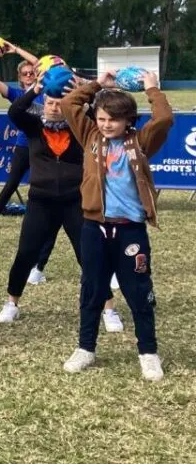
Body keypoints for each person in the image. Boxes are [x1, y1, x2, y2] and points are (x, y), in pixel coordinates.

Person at [59, 70, 172, 380]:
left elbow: (163, 119)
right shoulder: (90, 136)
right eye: (101, 118)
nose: (106, 124)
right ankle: (85, 348)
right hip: (94, 228)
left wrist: (152, 89)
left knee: (139, 292)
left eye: (113, 119)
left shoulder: (140, 141)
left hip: (129, 230)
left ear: (128, 120)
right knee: (92, 290)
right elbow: (69, 105)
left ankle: (148, 352)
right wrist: (98, 84)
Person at [0, 82, 121, 327]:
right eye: (50, 103)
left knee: (89, 256)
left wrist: (90, 87)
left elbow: (95, 110)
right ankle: (11, 303)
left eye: (59, 104)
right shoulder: (33, 126)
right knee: (26, 254)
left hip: (75, 201)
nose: (54, 108)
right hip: (41, 201)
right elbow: (15, 112)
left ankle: (108, 309)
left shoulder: (80, 127)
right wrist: (35, 89)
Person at [0, 41, 40, 235]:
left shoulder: (44, 90)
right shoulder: (17, 94)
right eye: (25, 73)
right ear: (20, 78)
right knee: (12, 182)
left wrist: (15, 49)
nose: (29, 75)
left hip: (44, 143)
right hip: (24, 144)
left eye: (31, 73)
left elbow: (39, 62)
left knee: (41, 183)